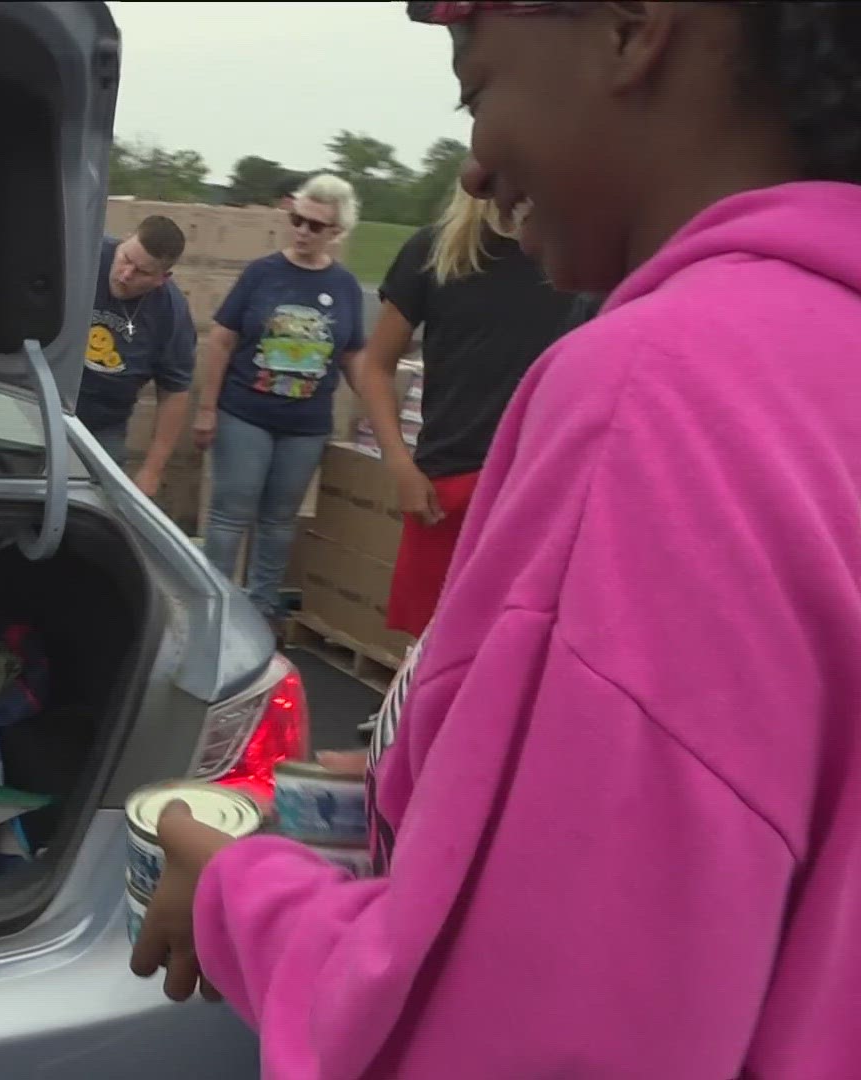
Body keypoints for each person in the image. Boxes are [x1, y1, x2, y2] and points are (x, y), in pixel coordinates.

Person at [132, 3, 861, 1077]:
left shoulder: (659, 394)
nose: (473, 171)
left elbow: (519, 1039)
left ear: (629, 27)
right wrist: (415, 783)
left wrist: (233, 896)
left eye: (477, 87)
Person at [348, 183, 578, 639]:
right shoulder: (436, 250)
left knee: (510, 647)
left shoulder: (572, 259)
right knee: (427, 650)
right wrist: (401, 466)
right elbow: (376, 365)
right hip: (446, 485)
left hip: (537, 487)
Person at [192, 174, 366, 630]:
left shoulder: (344, 286)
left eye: (315, 226)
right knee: (232, 511)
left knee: (279, 520)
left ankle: (261, 610)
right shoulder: (262, 273)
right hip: (246, 411)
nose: (304, 231)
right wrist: (208, 409)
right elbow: (221, 341)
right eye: (298, 220)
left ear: (335, 233)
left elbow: (353, 357)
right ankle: (213, 609)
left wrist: (377, 412)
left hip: (305, 423)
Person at [77, 216, 198, 497]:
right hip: (40, 405)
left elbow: (174, 392)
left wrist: (152, 470)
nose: (125, 274)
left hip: (103, 425)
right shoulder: (82, 255)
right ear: (125, 240)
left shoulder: (171, 312)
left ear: (162, 278)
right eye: (125, 258)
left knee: (95, 506)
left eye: (142, 272)